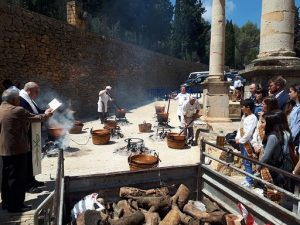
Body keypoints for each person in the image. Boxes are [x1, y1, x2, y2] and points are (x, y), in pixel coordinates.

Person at [0, 88, 52, 212]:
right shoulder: (18, 110)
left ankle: (6, 202)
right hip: (17, 149)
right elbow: (36, 118)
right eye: (18, 99)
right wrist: (48, 114)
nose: (19, 101)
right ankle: (16, 206)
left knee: (6, 177)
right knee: (18, 178)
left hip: (4, 149)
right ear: (13, 100)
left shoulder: (1, 108)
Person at [257, 112, 293, 191]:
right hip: (284, 165)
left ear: (270, 123)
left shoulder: (273, 137)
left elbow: (266, 156)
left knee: (272, 191)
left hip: (274, 167)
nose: (261, 124)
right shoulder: (284, 133)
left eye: (263, 122)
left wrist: (258, 167)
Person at [19, 82, 45, 193]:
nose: (38, 94)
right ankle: (27, 184)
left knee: (33, 158)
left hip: (33, 133)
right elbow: (28, 115)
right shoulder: (21, 99)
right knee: (27, 159)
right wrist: (44, 115)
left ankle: (32, 179)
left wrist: (46, 112)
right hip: (27, 134)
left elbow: (37, 112)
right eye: (36, 91)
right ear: (29, 90)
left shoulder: (29, 98)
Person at [235, 99, 258, 188]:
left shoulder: (253, 118)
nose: (241, 108)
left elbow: (249, 132)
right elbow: (240, 127)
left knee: (248, 161)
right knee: (245, 161)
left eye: (243, 107)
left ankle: (250, 181)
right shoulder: (244, 116)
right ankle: (247, 178)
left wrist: (241, 140)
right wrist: (237, 137)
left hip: (247, 143)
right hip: (242, 142)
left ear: (248, 108)